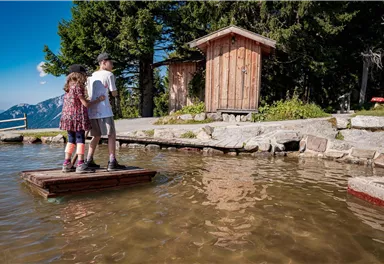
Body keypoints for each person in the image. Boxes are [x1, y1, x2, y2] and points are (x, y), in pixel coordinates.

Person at [60, 64, 105, 173]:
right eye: (84, 75)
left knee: (71, 140)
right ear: (80, 75)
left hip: (66, 117)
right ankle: (80, 164)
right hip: (77, 117)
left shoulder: (68, 87)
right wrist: (98, 100)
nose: (85, 77)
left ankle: (67, 164)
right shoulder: (78, 86)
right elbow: (85, 104)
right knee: (80, 139)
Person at [85, 52, 126, 171]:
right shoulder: (109, 75)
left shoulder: (90, 77)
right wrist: (115, 94)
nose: (112, 65)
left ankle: (88, 160)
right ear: (103, 62)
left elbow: (89, 94)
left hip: (92, 111)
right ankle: (112, 162)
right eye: (111, 62)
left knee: (96, 135)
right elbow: (113, 92)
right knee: (111, 135)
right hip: (105, 110)